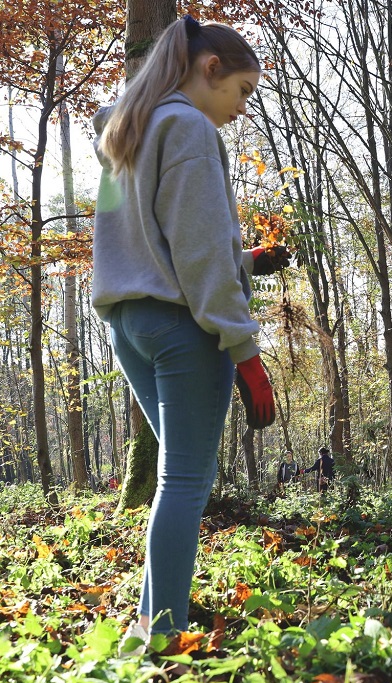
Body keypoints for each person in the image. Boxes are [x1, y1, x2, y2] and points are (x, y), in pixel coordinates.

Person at [91, 16, 285, 649]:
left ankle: (148, 623)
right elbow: (197, 253)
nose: (242, 107)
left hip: (131, 324)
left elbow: (154, 240)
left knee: (179, 477)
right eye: (243, 90)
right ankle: (163, 636)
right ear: (209, 70)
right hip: (184, 329)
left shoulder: (132, 127)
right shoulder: (189, 126)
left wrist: (247, 261)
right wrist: (246, 349)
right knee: (184, 482)